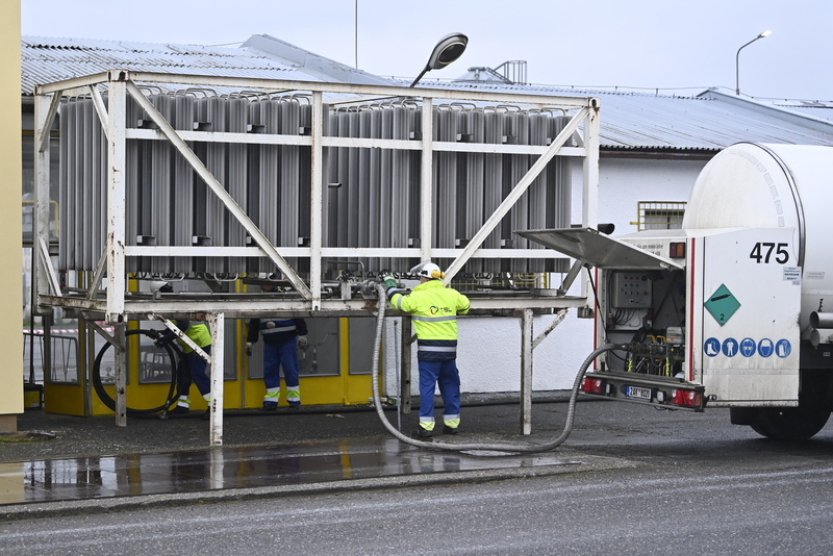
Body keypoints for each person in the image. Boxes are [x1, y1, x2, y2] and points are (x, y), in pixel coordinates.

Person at [384, 261, 470, 438]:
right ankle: (451, 425)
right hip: (449, 353)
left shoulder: (418, 297)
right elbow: (465, 304)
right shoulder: (452, 294)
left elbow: (399, 303)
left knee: (427, 388)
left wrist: (390, 285)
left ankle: (426, 427)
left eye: (420, 278)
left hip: (429, 353)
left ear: (424, 278)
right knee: (451, 386)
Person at [246, 317, 308, 410]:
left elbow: (296, 313)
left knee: (290, 369)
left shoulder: (260, 303)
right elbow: (255, 320)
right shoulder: (260, 303)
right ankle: (274, 400)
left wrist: (302, 334)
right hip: (272, 341)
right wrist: (250, 340)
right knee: (271, 369)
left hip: (285, 340)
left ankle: (292, 400)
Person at [156, 319, 213, 416]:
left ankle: (213, 406)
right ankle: (182, 406)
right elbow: (175, 326)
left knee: (197, 372)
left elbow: (183, 325)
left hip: (198, 342)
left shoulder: (174, 306)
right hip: (189, 344)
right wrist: (163, 334)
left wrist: (165, 339)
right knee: (183, 374)